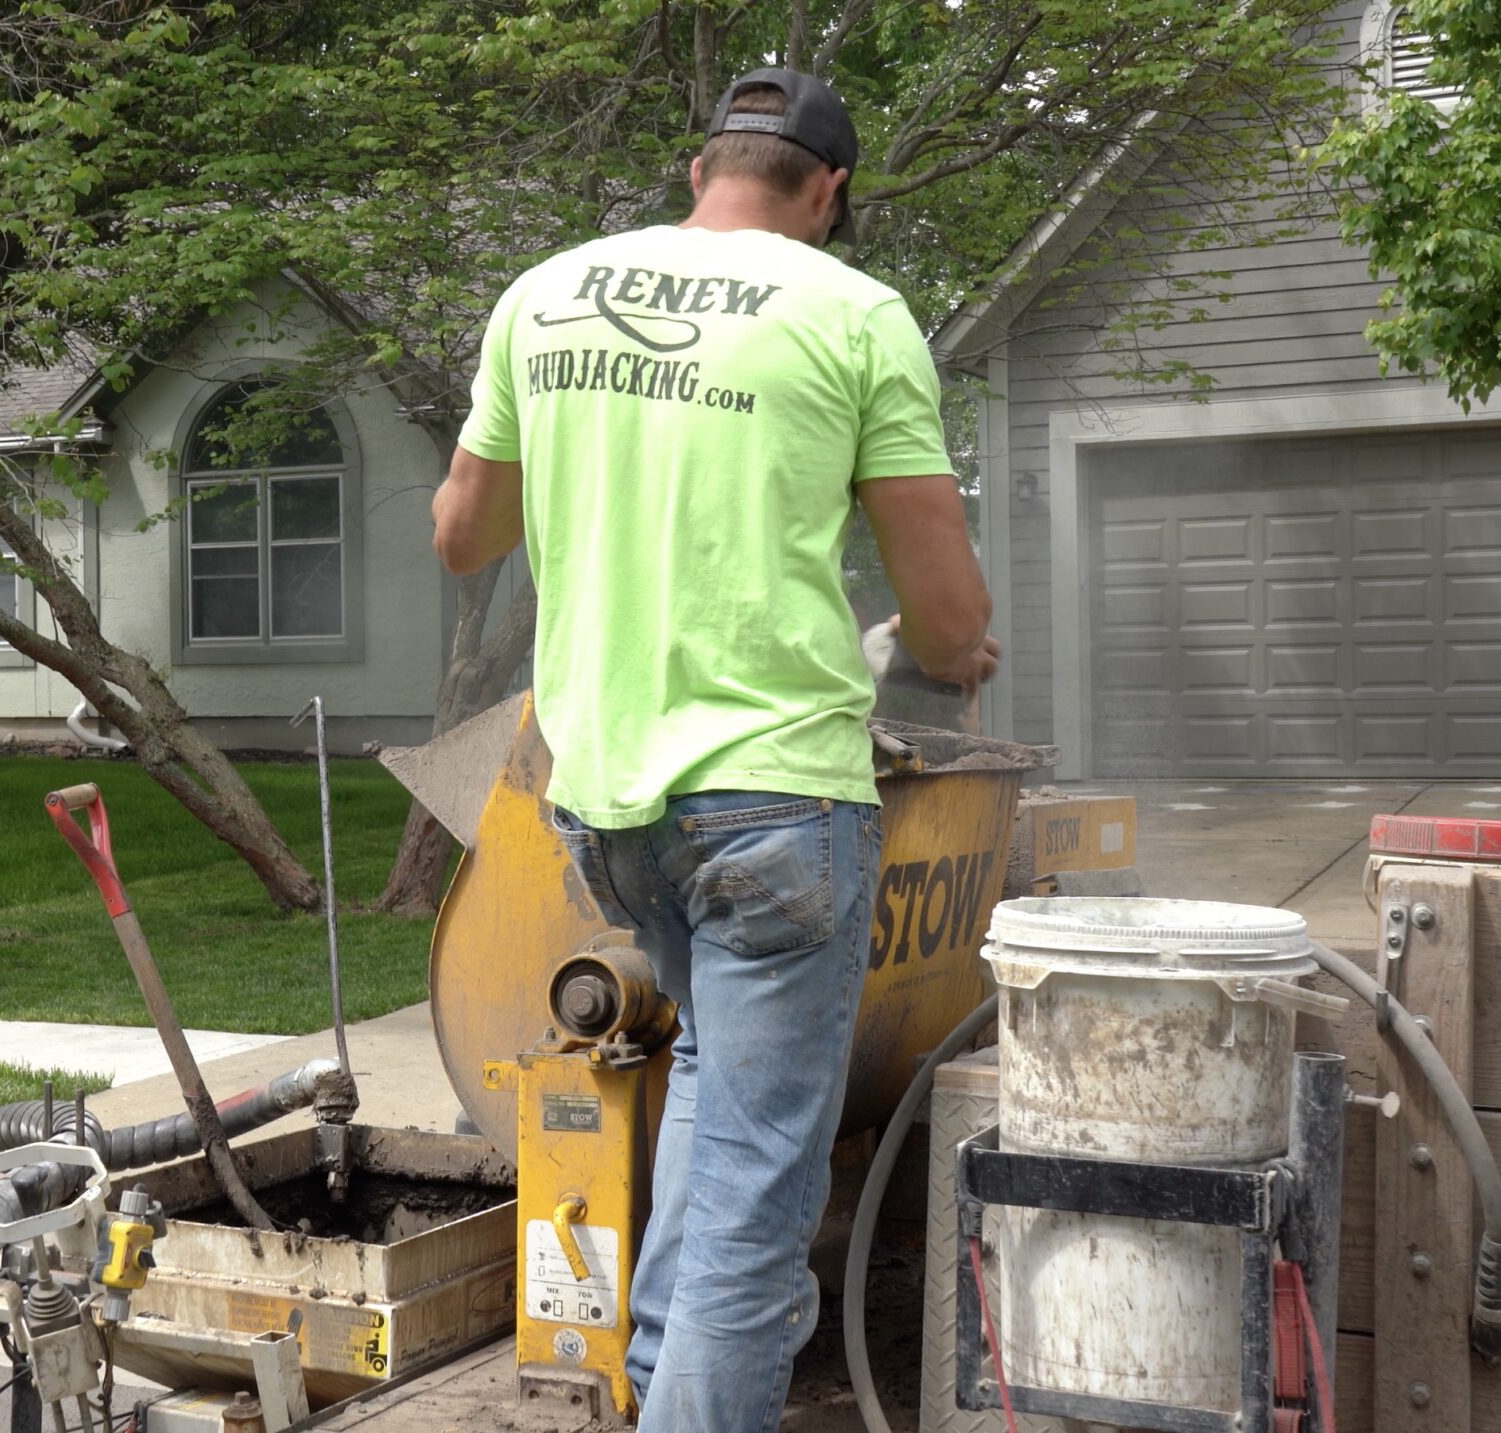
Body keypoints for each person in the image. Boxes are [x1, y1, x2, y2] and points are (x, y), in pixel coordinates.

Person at [432, 68, 998, 1429]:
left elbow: (463, 538)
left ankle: (649, 1382)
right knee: (757, 1200)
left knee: (708, 1093)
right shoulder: (852, 312)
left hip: (610, 810)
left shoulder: (546, 295)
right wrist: (953, 650)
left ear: (704, 172)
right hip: (776, 805)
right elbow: (948, 610)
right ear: (829, 192)